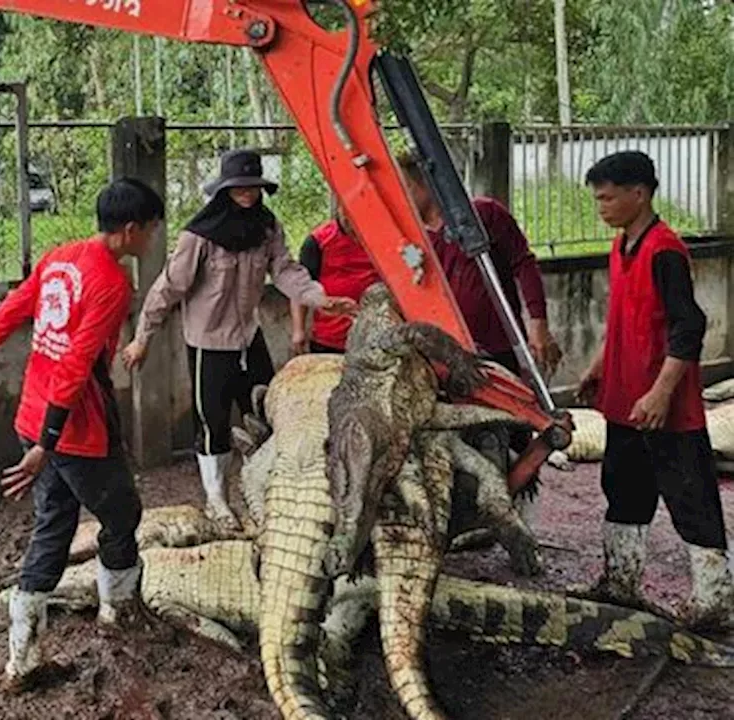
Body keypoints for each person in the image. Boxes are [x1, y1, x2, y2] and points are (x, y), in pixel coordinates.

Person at [0, 178, 165, 691]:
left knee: (54, 523)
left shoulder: (61, 256)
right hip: (72, 424)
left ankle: (23, 659)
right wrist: (49, 441)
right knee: (122, 511)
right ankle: (120, 612)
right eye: (150, 231)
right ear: (130, 231)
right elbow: (78, 363)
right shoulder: (111, 283)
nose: (151, 239)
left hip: (35, 410)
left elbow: (16, 306)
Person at [121, 149, 357, 530]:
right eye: (239, 187)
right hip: (209, 344)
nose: (248, 193)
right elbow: (168, 288)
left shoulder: (266, 228)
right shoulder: (199, 236)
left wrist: (320, 297)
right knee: (213, 422)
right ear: (225, 190)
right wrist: (141, 338)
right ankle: (217, 500)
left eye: (254, 186)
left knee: (266, 414)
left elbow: (285, 270)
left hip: (250, 339)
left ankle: (264, 492)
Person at [575, 150, 733, 630]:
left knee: (690, 495)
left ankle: (715, 600)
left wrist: (662, 393)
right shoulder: (621, 246)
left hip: (664, 406)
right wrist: (597, 367)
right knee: (623, 489)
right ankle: (620, 580)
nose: (600, 207)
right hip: (625, 401)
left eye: (607, 198)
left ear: (638, 194)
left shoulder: (664, 250)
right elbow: (624, 317)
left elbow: (689, 328)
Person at [396, 151, 561, 524]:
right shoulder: (410, 239)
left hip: (496, 348)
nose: (402, 197)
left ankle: (518, 517)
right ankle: (467, 515)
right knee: (455, 437)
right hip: (443, 357)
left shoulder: (483, 215)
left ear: (425, 183)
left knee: (514, 429)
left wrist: (537, 322)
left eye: (406, 187)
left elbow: (523, 262)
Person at [289, 206, 380, 355]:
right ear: (340, 210)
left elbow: (416, 256)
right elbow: (299, 288)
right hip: (331, 339)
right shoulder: (317, 242)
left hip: (376, 338)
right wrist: (298, 331)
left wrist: (416, 259)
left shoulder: (388, 235)